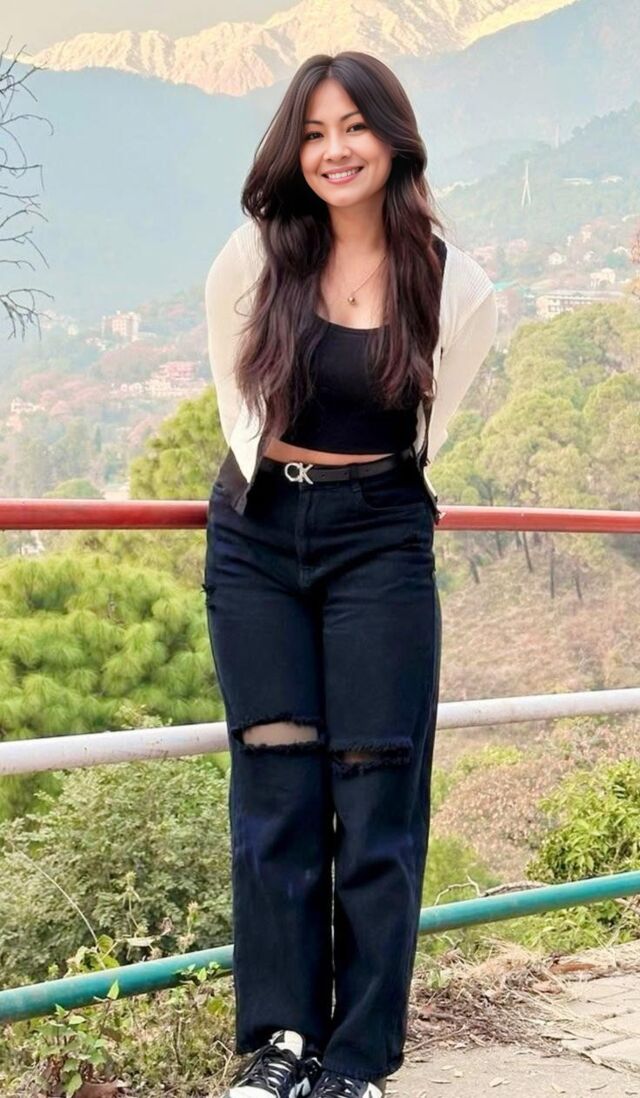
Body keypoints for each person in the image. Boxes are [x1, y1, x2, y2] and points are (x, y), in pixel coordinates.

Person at [202, 50, 497, 1098]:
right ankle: (282, 1040)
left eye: (354, 128)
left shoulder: (455, 284)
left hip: (378, 534)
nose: (334, 150)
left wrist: (371, 500)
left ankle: (359, 1058)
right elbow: (236, 406)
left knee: (377, 793)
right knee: (275, 790)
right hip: (257, 536)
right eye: (315, 132)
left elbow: (431, 428)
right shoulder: (257, 256)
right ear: (295, 148)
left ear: (393, 138)